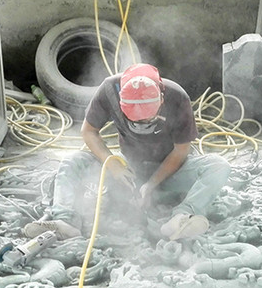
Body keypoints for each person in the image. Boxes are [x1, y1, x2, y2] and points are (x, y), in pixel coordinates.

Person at [24, 63, 230, 241]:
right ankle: (66, 220)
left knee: (218, 166)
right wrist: (114, 165)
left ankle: (182, 218)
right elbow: (88, 131)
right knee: (72, 160)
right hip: (129, 167)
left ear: (161, 98)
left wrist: (151, 184)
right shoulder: (109, 90)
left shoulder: (177, 96)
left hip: (171, 170)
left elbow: (180, 151)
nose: (142, 123)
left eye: (147, 119)